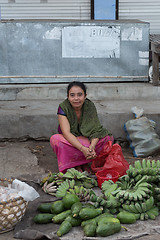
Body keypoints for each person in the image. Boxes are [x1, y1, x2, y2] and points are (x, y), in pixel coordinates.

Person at [50, 81, 114, 173]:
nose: (76, 98)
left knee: (108, 139)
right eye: (72, 95)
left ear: (85, 95)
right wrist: (82, 149)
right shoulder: (63, 107)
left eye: (79, 95)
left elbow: (96, 130)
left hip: (87, 139)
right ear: (68, 96)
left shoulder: (89, 106)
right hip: (71, 141)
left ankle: (84, 161)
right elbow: (66, 133)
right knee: (55, 139)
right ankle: (75, 164)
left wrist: (92, 147)